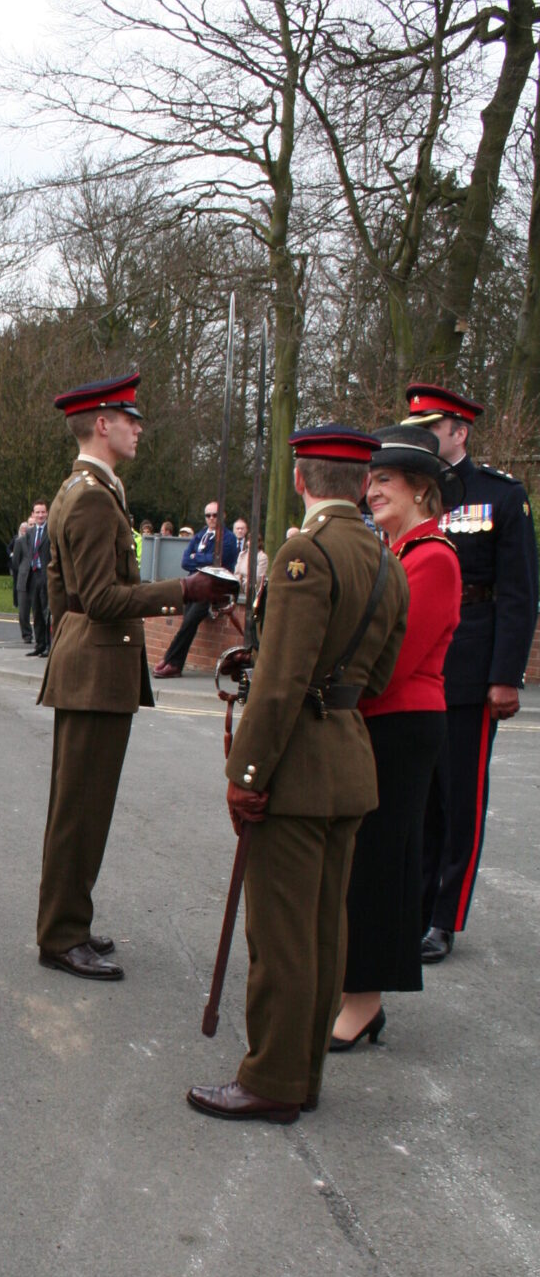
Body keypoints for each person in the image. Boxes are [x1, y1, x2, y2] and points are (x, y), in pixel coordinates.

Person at [187, 425, 409, 1125]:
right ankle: (302, 1070)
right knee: (322, 929)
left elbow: (279, 682)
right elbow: (381, 670)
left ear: (300, 479)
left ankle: (274, 1079)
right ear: (362, 481)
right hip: (347, 755)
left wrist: (245, 772)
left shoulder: (305, 553)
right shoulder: (384, 558)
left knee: (282, 933)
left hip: (297, 767)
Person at [35, 372, 235, 979]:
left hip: (89, 665)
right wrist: (186, 589)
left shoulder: (91, 488)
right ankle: (61, 934)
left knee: (82, 808)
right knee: (79, 811)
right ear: (102, 424)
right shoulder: (93, 495)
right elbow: (97, 597)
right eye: (130, 418)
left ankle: (70, 922)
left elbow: (60, 591)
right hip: (94, 671)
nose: (139, 427)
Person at [331, 425, 463, 1049]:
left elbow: (395, 659)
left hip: (402, 723)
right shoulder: (392, 551)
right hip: (376, 719)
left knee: (382, 863)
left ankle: (364, 1003)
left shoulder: (432, 557)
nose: (372, 488)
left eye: (385, 479)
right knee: (362, 860)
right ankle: (354, 989)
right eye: (370, 479)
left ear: (421, 489)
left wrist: (332, 687)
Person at [404, 383, 539, 963]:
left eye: (430, 429)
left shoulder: (499, 496)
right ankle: (413, 903)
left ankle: (444, 917)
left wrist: (504, 675)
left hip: (470, 663)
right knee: (419, 797)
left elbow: (518, 593)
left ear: (460, 432)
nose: (420, 439)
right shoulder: (412, 491)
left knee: (460, 798)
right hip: (417, 664)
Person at [152, 500, 238, 677]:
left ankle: (171, 661)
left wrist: (197, 557)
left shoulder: (228, 538)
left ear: (223, 516)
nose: (212, 519)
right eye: (208, 515)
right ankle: (172, 662)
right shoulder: (201, 535)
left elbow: (218, 561)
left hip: (214, 588)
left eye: (215, 515)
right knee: (186, 624)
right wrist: (203, 558)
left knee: (189, 623)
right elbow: (185, 561)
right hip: (196, 586)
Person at [20, 501, 51, 656]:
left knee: (47, 612)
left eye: (43, 512)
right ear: (32, 514)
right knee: (37, 612)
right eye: (37, 512)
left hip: (46, 576)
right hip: (33, 576)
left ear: (47, 513)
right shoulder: (30, 533)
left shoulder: (51, 531)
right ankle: (39, 644)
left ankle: (48, 646)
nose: (40, 515)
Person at [9, 517, 32, 621]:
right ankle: (16, 602)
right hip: (21, 570)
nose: (24, 530)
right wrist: (11, 554)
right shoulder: (17, 540)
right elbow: (14, 559)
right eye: (22, 528)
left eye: (25, 528)